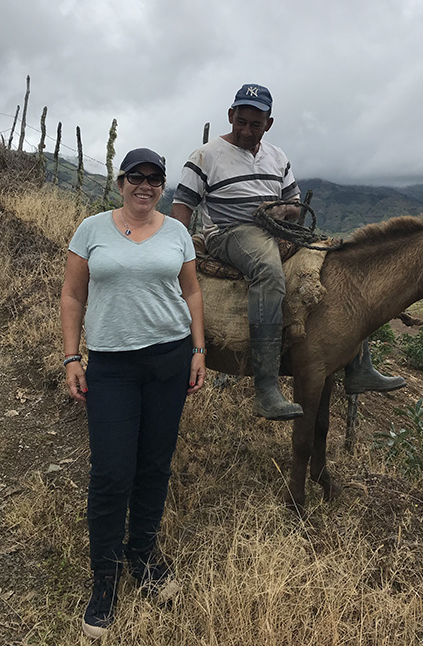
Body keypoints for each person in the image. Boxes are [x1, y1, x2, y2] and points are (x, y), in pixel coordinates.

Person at [171, 83, 404, 421]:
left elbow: (294, 204)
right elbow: (182, 206)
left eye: (256, 123)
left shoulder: (277, 156)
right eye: (241, 121)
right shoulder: (205, 156)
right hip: (229, 232)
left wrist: (283, 212)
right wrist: (179, 248)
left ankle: (359, 365)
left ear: (269, 123)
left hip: (276, 229)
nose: (247, 130)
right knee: (267, 272)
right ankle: (266, 388)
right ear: (230, 116)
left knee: (335, 262)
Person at [61, 148, 206, 638]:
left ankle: (141, 555)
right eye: (135, 177)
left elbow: (192, 293)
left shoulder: (178, 233)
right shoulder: (92, 228)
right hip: (112, 365)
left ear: (162, 186)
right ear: (120, 181)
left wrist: (199, 348)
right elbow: (72, 294)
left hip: (169, 358)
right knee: (111, 470)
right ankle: (105, 576)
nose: (144, 185)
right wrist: (71, 356)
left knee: (153, 464)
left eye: (154, 179)